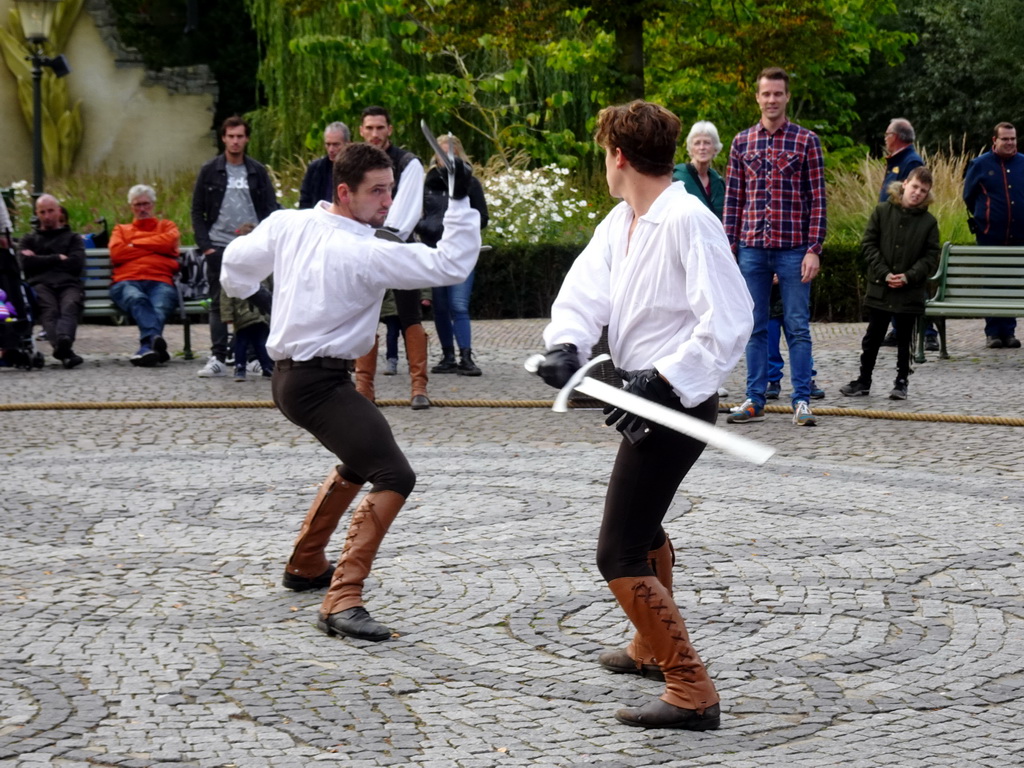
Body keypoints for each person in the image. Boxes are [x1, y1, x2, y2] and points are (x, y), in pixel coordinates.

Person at [535, 101, 752, 730]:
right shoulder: (625, 218)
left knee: (619, 550)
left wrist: (660, 378)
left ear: (618, 156)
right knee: (644, 524)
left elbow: (729, 322)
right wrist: (565, 344)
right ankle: (647, 648)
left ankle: (692, 689)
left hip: (679, 407)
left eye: (605, 153)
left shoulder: (688, 219)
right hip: (642, 401)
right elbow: (584, 291)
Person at [220, 142, 480, 641]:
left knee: (362, 458)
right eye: (377, 192)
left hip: (296, 380)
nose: (387, 201)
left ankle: (305, 563)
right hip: (317, 383)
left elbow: (234, 263)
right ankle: (342, 598)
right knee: (394, 473)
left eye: (391, 189)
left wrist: (253, 292)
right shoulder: (366, 251)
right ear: (345, 191)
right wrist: (462, 202)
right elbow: (451, 267)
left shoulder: (287, 223)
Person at [724, 66, 826, 427]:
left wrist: (814, 247)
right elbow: (733, 200)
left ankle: (801, 400)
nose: (771, 100)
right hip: (751, 247)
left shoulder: (806, 141)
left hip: (794, 248)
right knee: (753, 327)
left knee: (797, 326)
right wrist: (729, 247)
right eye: (766, 94)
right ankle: (754, 397)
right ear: (757, 97)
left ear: (787, 97)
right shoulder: (741, 142)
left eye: (778, 94)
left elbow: (817, 200)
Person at [354, 106, 432, 409]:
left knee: (410, 316)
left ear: (390, 129)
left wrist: (385, 240)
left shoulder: (407, 163)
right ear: (361, 130)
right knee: (365, 316)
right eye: (369, 128)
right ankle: (364, 387)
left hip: (398, 247)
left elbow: (407, 212)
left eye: (380, 128)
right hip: (362, 248)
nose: (375, 134)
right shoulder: (354, 163)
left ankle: (418, 387)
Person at [840, 167, 940, 400]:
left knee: (905, 338)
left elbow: (930, 256)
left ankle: (901, 381)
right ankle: (864, 380)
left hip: (910, 290)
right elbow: (869, 244)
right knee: (873, 336)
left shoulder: (929, 222)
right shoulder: (882, 211)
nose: (917, 193)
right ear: (905, 183)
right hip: (880, 286)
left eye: (923, 191)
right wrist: (885, 273)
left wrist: (908, 276)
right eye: (915, 187)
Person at [191, 115, 280, 377]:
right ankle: (218, 356)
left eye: (240, 136)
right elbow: (197, 210)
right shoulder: (210, 170)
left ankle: (254, 356)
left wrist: (267, 240)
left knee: (255, 302)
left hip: (252, 246)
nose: (235, 141)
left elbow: (270, 209)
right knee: (220, 303)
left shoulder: (256, 171)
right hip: (219, 246)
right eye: (230, 136)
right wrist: (206, 246)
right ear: (223, 138)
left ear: (247, 139)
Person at [416, 134, 489, 375]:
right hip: (434, 250)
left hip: (460, 255)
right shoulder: (428, 183)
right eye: (442, 154)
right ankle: (448, 355)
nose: (446, 159)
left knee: (458, 305)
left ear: (458, 155)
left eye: (451, 155)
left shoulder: (470, 183)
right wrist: (427, 228)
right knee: (440, 307)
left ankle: (466, 356)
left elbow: (482, 218)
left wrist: (460, 230)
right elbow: (419, 215)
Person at [963, 121, 1024, 349]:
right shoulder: (979, 165)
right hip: (990, 234)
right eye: (1005, 139)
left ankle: (1008, 332)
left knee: (1012, 283)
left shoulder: (1023, 164)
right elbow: (968, 196)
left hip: (1019, 235)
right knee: (991, 282)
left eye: (1013, 138)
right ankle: (992, 333)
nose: (1010, 143)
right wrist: (986, 218)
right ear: (994, 141)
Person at [108, 185, 181, 366]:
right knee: (137, 298)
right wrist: (154, 247)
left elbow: (169, 243)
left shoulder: (167, 226)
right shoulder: (121, 230)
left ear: (153, 205)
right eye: (137, 205)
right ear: (131, 207)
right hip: (126, 282)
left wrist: (133, 245)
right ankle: (154, 342)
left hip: (161, 281)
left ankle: (146, 348)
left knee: (160, 305)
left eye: (146, 204)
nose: (142, 209)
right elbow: (117, 253)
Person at [878, 118, 935, 350]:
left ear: (896, 136)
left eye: (887, 133)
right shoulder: (897, 161)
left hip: (906, 233)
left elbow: (915, 199)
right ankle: (898, 329)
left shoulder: (910, 161)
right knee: (894, 280)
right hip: (891, 229)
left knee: (911, 285)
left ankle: (928, 333)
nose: (884, 137)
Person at [17, 194, 85, 368]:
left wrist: (39, 259)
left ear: (59, 211)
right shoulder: (29, 239)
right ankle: (65, 349)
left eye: (50, 211)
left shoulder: (72, 238)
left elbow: (76, 263)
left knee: (70, 305)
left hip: (69, 283)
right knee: (49, 310)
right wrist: (57, 258)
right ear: (37, 214)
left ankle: (63, 346)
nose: (47, 216)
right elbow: (25, 264)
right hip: (41, 284)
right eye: (42, 212)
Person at [672, 121, 725, 219]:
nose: (702, 147)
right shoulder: (677, 178)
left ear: (715, 148)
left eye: (707, 143)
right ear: (691, 149)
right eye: (697, 143)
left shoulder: (719, 182)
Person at [299, 121, 350, 209]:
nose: (331, 149)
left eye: (336, 144)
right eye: (328, 144)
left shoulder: (357, 169)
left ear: (347, 144)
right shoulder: (316, 169)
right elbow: (305, 200)